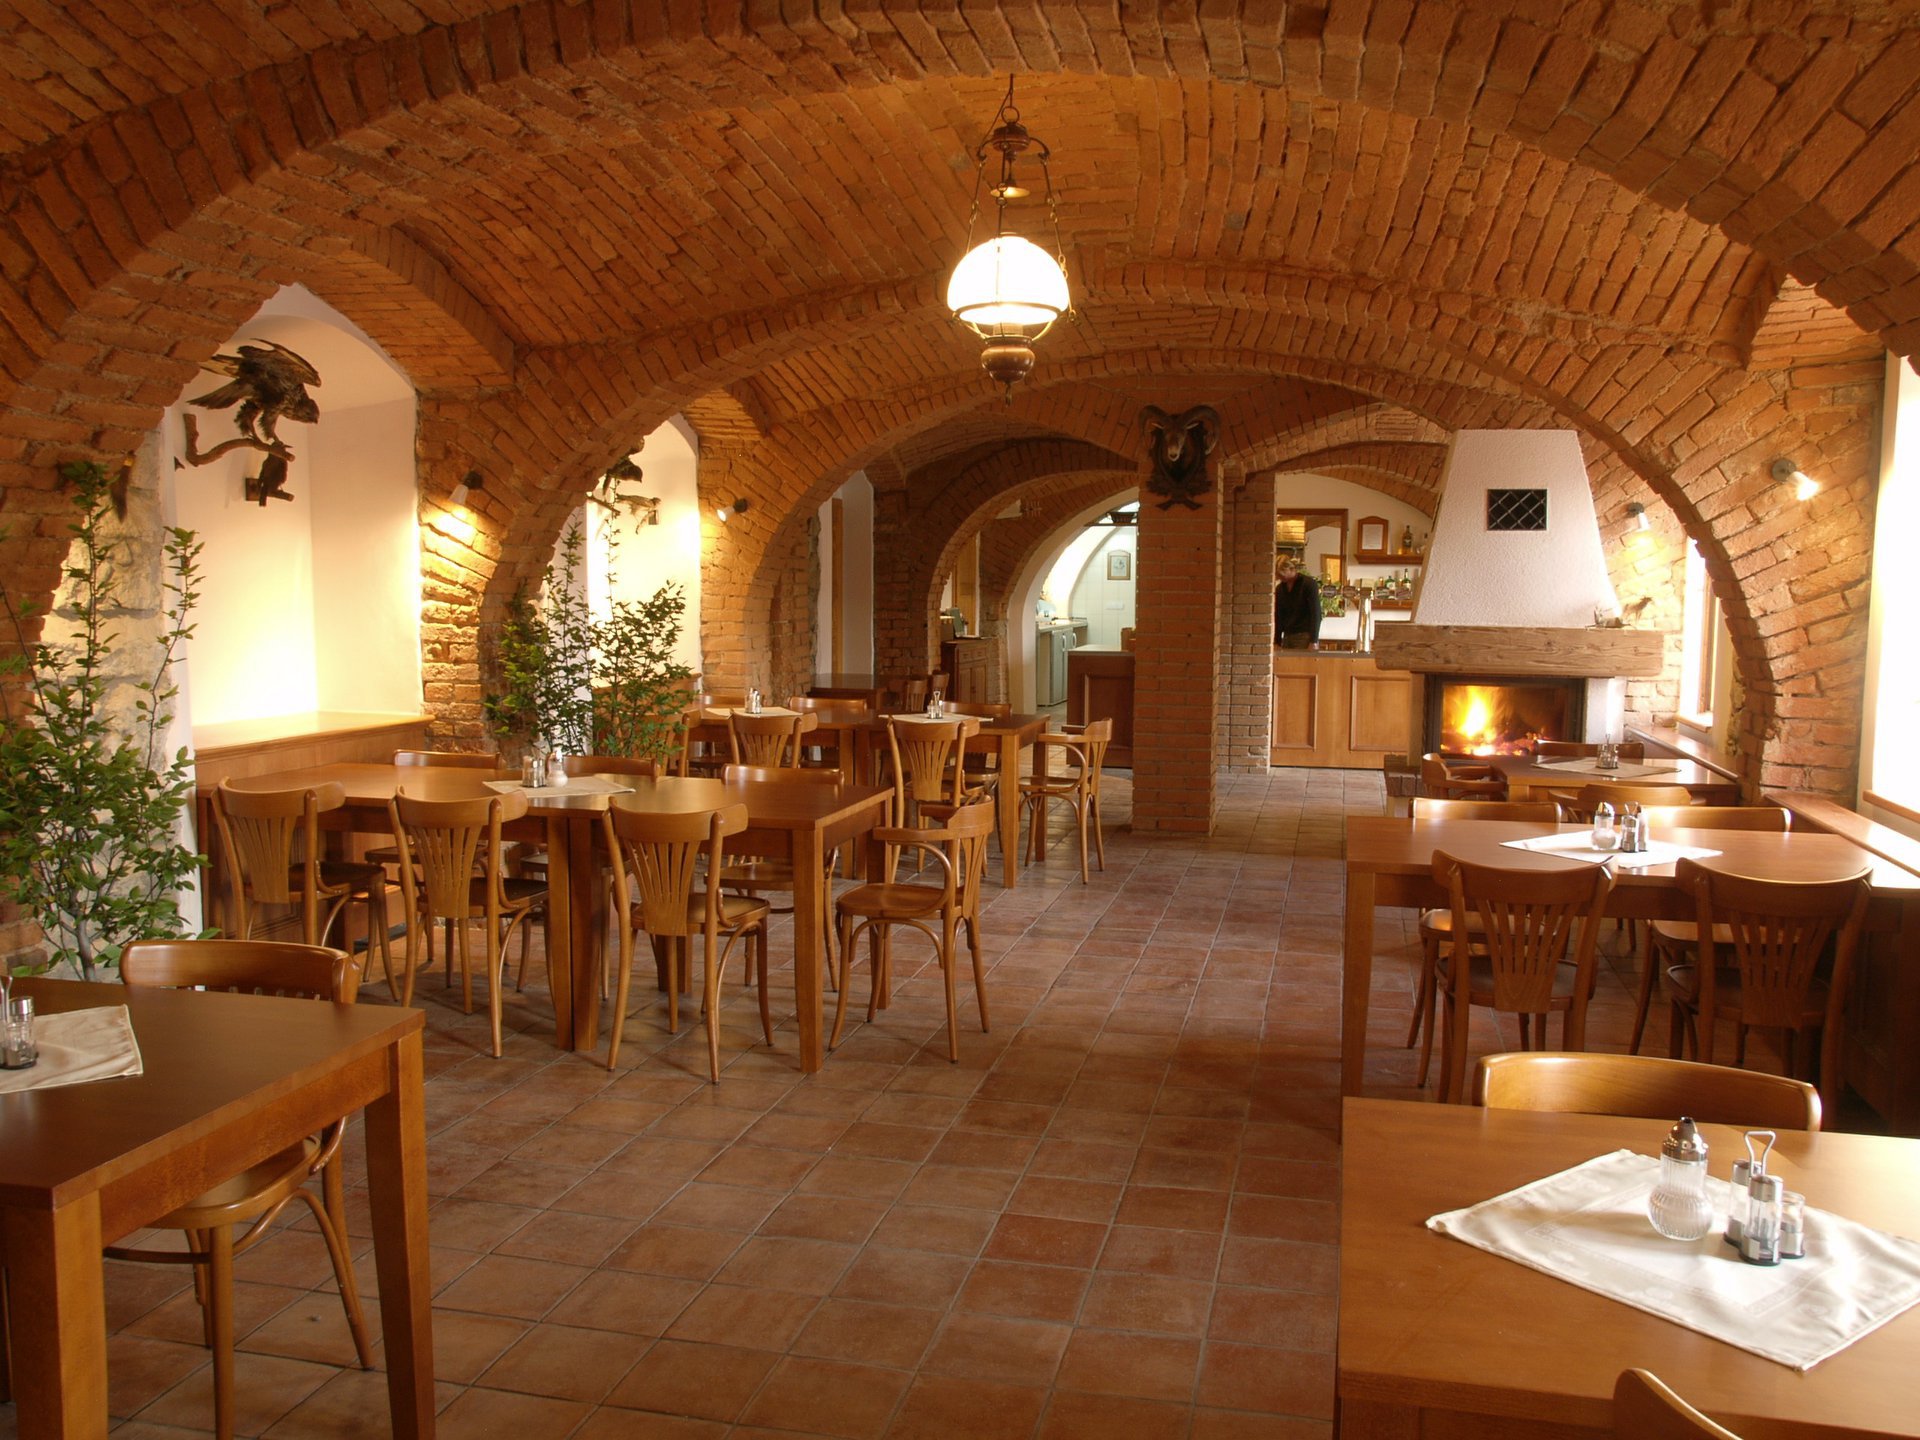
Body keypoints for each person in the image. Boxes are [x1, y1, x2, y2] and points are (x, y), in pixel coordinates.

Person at [1273, 556, 1321, 650]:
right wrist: (1277, 641)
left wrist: (1313, 640)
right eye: (1278, 575)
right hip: (1287, 634)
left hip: (1304, 635)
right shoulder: (1280, 589)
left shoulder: (1308, 584)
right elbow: (1279, 616)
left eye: (1282, 574)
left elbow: (1316, 613)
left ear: (1291, 569)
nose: (1280, 577)